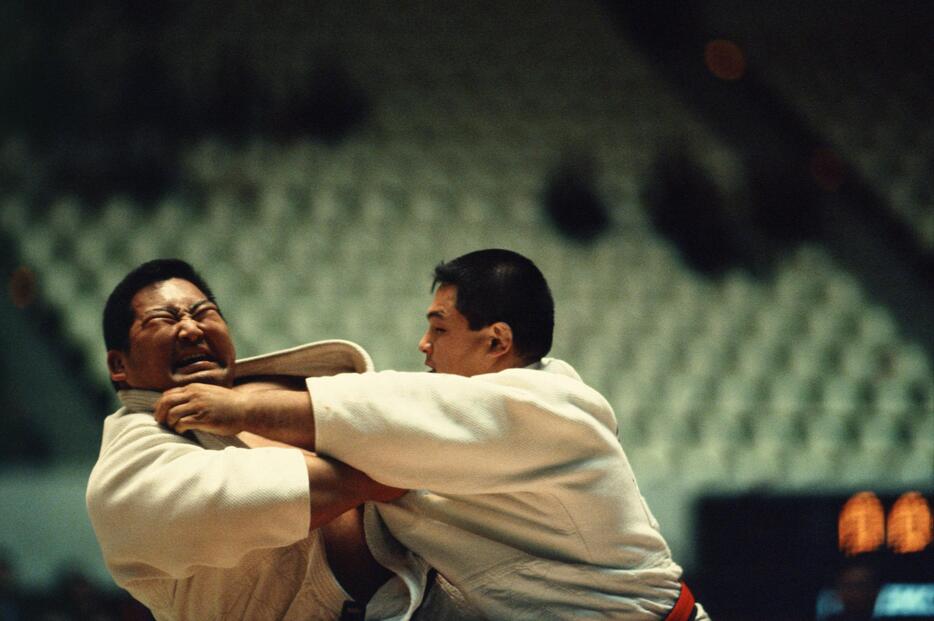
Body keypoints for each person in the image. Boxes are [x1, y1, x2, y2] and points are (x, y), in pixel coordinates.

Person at [156, 248, 710, 620]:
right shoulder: (479, 422)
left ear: (496, 341)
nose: (424, 344)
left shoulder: (555, 410)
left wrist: (241, 407)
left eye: (439, 328)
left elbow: (389, 413)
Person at [86, 259, 464, 621]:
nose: (191, 329)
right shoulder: (124, 476)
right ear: (119, 365)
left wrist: (249, 408)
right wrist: (396, 456)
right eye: (163, 319)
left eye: (203, 313)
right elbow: (383, 474)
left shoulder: (263, 394)